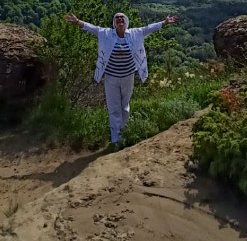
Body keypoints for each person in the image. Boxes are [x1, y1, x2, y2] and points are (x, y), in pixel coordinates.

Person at [64, 10, 178, 149]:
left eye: (122, 18)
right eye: (117, 18)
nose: (119, 20)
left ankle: (124, 132)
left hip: (128, 77)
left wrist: (164, 22)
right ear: (114, 23)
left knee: (124, 106)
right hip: (111, 78)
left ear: (126, 21)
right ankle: (115, 139)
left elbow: (150, 28)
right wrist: (77, 22)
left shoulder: (136, 33)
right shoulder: (105, 34)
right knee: (113, 108)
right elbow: (91, 28)